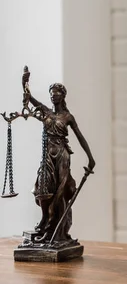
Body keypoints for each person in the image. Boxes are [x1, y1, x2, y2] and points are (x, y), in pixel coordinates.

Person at [24, 82, 95, 244]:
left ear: (63, 96)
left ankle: (56, 229)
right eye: (51, 93)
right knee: (42, 187)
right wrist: (25, 83)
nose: (53, 96)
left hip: (62, 155)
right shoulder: (46, 112)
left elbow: (80, 137)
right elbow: (30, 99)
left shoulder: (68, 117)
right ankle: (45, 220)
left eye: (56, 93)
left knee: (60, 191)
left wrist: (90, 158)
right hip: (47, 154)